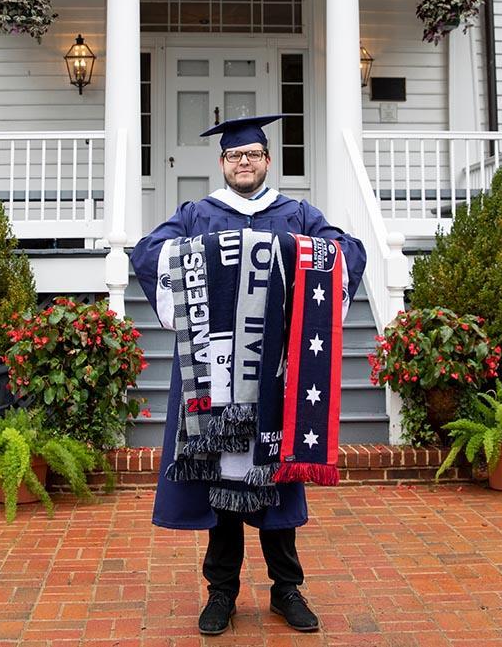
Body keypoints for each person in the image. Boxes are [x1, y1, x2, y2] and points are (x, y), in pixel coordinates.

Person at [131, 114, 366, 635]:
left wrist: (290, 251)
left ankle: (286, 590)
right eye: (236, 156)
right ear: (223, 163)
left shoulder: (298, 213)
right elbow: (150, 254)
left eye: (254, 155)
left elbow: (345, 251)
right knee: (222, 484)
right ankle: (222, 593)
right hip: (215, 384)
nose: (245, 163)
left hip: (276, 377)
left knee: (276, 483)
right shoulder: (197, 214)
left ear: (267, 161)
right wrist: (214, 255)